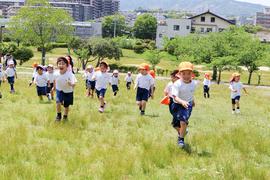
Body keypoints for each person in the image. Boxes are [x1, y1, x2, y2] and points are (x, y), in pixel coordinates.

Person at [171, 62, 197, 148]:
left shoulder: (194, 83)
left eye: (188, 73)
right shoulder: (177, 84)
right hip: (176, 105)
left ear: (192, 74)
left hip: (187, 106)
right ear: (179, 74)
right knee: (175, 124)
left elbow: (190, 92)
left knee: (183, 121)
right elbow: (175, 97)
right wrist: (182, 102)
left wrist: (192, 100)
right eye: (184, 73)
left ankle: (181, 139)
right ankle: (183, 131)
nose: (186, 76)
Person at [55, 57, 77, 121]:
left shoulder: (70, 74)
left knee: (66, 105)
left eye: (63, 64)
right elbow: (53, 80)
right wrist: (53, 87)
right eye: (59, 64)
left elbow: (74, 83)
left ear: (67, 66)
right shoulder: (56, 73)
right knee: (58, 102)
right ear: (57, 65)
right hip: (59, 90)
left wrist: (71, 84)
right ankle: (58, 116)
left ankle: (65, 116)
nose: (61, 65)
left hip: (68, 91)